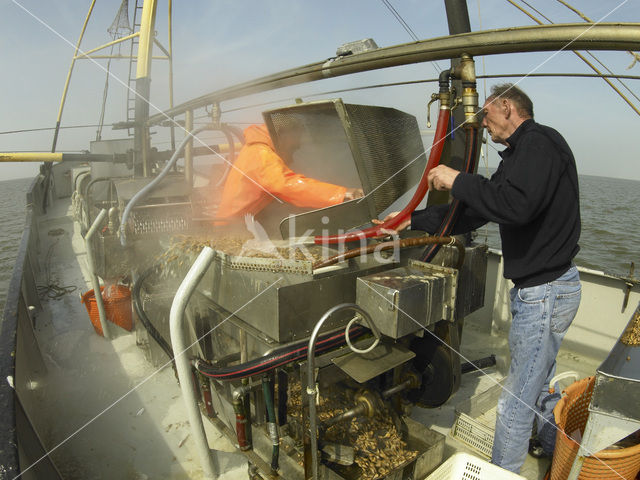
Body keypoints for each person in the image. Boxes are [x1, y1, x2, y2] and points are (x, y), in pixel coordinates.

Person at [383, 83, 582, 473]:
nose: (484, 127)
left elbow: (515, 206)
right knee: (538, 384)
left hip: (545, 293)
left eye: (487, 116)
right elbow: (479, 210)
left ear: (507, 106)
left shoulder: (539, 143)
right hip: (544, 291)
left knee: (517, 399)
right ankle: (555, 445)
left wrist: (457, 180)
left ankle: (501, 471)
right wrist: (409, 221)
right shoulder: (520, 156)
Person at [215, 122, 362, 223]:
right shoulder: (261, 153)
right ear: (282, 134)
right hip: (233, 228)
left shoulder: (258, 149)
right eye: (294, 143)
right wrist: (343, 194)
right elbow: (286, 185)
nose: (297, 147)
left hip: (245, 222)